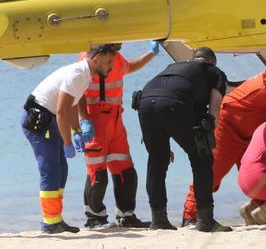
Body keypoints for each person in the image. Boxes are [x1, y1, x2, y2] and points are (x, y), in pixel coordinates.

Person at [180, 55, 266, 225]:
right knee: (212, 173)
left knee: (259, 173)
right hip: (227, 129)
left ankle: (263, 212)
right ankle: (190, 216)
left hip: (247, 132)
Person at [21, 44, 117, 234]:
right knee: (50, 169)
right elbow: (62, 110)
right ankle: (50, 223)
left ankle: (56, 219)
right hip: (38, 120)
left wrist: (76, 131)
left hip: (49, 119)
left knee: (61, 169)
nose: (111, 66)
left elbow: (71, 105)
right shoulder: (78, 73)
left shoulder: (86, 74)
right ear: (96, 59)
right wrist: (67, 143)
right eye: (109, 62)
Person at [136, 47, 231, 232]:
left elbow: (158, 94)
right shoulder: (215, 72)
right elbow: (216, 103)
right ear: (212, 62)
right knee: (202, 159)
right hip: (175, 105)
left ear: (194, 59)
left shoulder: (173, 66)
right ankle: (205, 220)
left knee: (157, 160)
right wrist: (209, 134)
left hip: (145, 105)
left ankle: (158, 220)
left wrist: (157, 138)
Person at [79, 41, 160, 229]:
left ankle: (126, 216)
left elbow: (130, 67)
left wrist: (151, 53)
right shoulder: (88, 59)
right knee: (97, 173)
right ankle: (94, 218)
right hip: (95, 121)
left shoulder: (114, 56)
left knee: (126, 171)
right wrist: (83, 121)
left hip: (115, 120)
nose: (122, 42)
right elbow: (77, 93)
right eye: (118, 39)